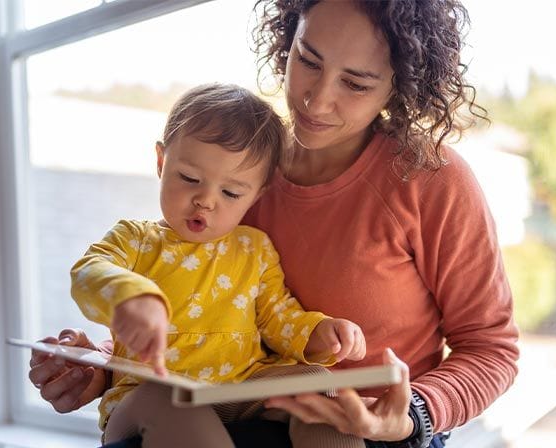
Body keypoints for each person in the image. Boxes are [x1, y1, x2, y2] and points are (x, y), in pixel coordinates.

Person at [29, 0, 520, 446]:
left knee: (327, 410)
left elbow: (491, 349)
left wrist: (412, 414)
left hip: (370, 434)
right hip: (221, 415)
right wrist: (97, 366)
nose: (316, 99)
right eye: (307, 60)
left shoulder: (431, 179)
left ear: (400, 83)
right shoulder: (238, 171)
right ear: (288, 38)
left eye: (355, 83)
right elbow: (193, 305)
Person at [64, 82, 368, 447]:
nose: (205, 201)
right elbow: (87, 271)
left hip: (240, 387)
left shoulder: (254, 248)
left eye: (231, 192)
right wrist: (130, 297)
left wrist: (320, 333)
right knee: (168, 399)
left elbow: (278, 317)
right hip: (148, 396)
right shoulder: (136, 240)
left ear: (258, 193)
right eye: (189, 179)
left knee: (319, 382)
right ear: (162, 162)